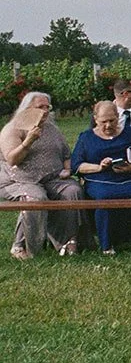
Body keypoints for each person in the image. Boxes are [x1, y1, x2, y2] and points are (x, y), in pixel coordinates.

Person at [3, 92, 84, 258]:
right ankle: (23, 246)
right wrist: (28, 141)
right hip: (18, 180)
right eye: (40, 107)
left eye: (48, 107)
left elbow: (66, 154)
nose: (45, 111)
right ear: (27, 109)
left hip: (52, 177)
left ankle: (66, 242)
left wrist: (67, 170)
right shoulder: (13, 129)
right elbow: (12, 159)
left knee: (73, 191)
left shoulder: (52, 128)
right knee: (36, 198)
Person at [70, 100, 131, 254]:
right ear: (95, 119)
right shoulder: (86, 137)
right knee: (105, 197)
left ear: (118, 116)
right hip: (99, 179)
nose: (108, 126)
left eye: (112, 121)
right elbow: (76, 165)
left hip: (128, 177)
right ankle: (106, 244)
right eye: (103, 122)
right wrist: (99, 167)